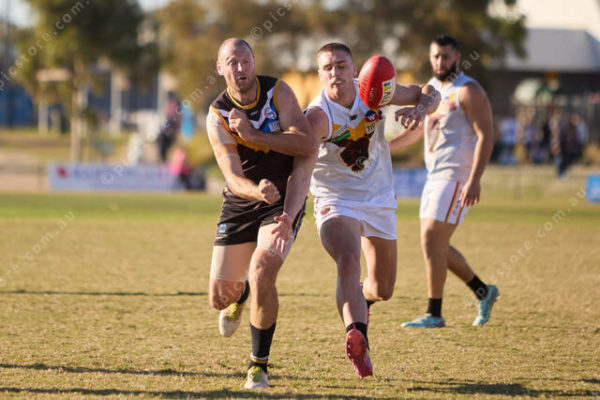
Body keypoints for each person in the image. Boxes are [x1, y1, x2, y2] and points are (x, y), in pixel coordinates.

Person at [305, 43, 440, 378]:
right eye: (327, 68)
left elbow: (430, 91)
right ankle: (357, 336)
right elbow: (298, 161)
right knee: (348, 259)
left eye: (341, 65)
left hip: (379, 197)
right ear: (320, 75)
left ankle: (362, 301)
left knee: (383, 288)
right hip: (336, 198)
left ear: (354, 69)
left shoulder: (374, 92)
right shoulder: (317, 116)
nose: (335, 73)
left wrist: (420, 110)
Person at [206, 38, 316, 389]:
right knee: (219, 298)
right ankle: (240, 296)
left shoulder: (278, 93)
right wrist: (256, 191)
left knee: (262, 270)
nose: (240, 68)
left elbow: (306, 144)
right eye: (232, 62)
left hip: (281, 200)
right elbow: (233, 178)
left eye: (246, 60)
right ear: (220, 68)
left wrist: (253, 135)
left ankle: (258, 365)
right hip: (242, 199)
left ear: (254, 62)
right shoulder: (217, 115)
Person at [389, 35, 498, 328]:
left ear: (457, 57)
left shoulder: (468, 90)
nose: (440, 62)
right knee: (435, 245)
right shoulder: (432, 90)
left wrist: (475, 179)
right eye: (436, 56)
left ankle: (434, 313)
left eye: (446, 56)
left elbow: (486, 135)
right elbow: (416, 132)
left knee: (431, 240)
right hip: (434, 176)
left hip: (457, 176)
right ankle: (483, 291)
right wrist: (384, 148)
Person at [157, 92, 182, 162]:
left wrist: (174, 130)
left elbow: (177, 121)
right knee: (163, 145)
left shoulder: (175, 109)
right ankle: (163, 159)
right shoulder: (169, 106)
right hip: (166, 132)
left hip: (171, 133)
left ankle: (165, 159)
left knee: (167, 146)